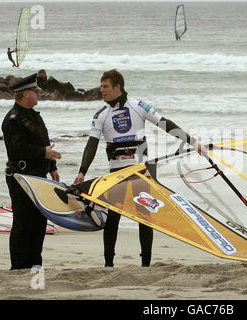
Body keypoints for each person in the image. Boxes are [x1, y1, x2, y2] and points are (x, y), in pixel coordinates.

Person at [74, 69, 206, 268]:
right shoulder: (100, 115)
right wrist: (82, 171)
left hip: (141, 170)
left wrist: (192, 141)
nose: (101, 90)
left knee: (145, 217)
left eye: (105, 86)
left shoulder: (139, 106)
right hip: (116, 172)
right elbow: (91, 145)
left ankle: (146, 264)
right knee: (113, 219)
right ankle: (108, 264)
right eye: (101, 86)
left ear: (118, 87)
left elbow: (165, 124)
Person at [2, 73, 61, 270]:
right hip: (20, 177)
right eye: (35, 92)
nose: (38, 94)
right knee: (22, 223)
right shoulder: (12, 120)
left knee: (38, 223)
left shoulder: (35, 116)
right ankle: (18, 267)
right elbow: (18, 149)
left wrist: (52, 168)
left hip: (39, 177)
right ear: (25, 94)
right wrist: (44, 153)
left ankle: (35, 264)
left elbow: (45, 143)